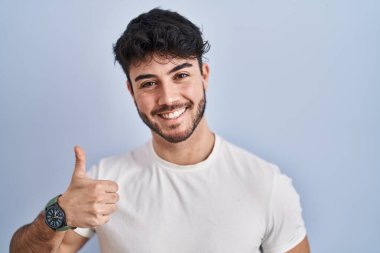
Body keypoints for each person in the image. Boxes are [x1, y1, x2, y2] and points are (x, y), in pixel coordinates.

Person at [10, 8, 310, 253]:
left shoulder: (268, 185)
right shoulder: (107, 182)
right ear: (131, 91)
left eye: (180, 75)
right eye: (149, 83)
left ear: (204, 75)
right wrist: (57, 214)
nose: (168, 98)